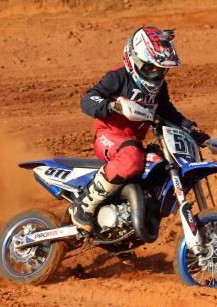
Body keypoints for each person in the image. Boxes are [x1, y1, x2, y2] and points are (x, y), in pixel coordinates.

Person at [70, 26, 198, 232]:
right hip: (108, 135)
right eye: (150, 68)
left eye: (161, 70)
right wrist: (112, 106)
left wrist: (189, 127)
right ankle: (84, 205)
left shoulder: (159, 88)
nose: (156, 75)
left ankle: (138, 212)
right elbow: (87, 100)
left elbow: (166, 111)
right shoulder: (118, 77)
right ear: (134, 60)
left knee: (160, 164)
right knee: (131, 157)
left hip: (134, 142)